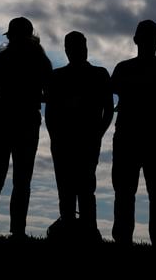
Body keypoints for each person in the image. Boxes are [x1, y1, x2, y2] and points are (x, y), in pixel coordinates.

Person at [0, 17, 52, 237]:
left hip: (2, 123)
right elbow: (49, 94)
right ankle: (17, 230)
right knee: (21, 180)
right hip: (26, 122)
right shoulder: (41, 61)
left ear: (11, 36)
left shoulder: (1, 60)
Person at [111, 20, 156, 248]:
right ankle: (125, 240)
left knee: (155, 193)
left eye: (154, 38)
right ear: (138, 40)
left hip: (151, 138)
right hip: (136, 137)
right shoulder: (127, 68)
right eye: (150, 37)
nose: (153, 42)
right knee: (127, 192)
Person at [45, 31, 114, 237]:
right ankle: (70, 228)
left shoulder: (100, 74)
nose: (77, 51)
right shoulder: (57, 77)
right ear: (66, 50)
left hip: (87, 139)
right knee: (66, 189)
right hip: (64, 140)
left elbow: (108, 109)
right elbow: (50, 112)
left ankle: (87, 230)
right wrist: (55, 137)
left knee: (85, 188)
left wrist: (98, 134)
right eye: (73, 47)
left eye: (80, 46)